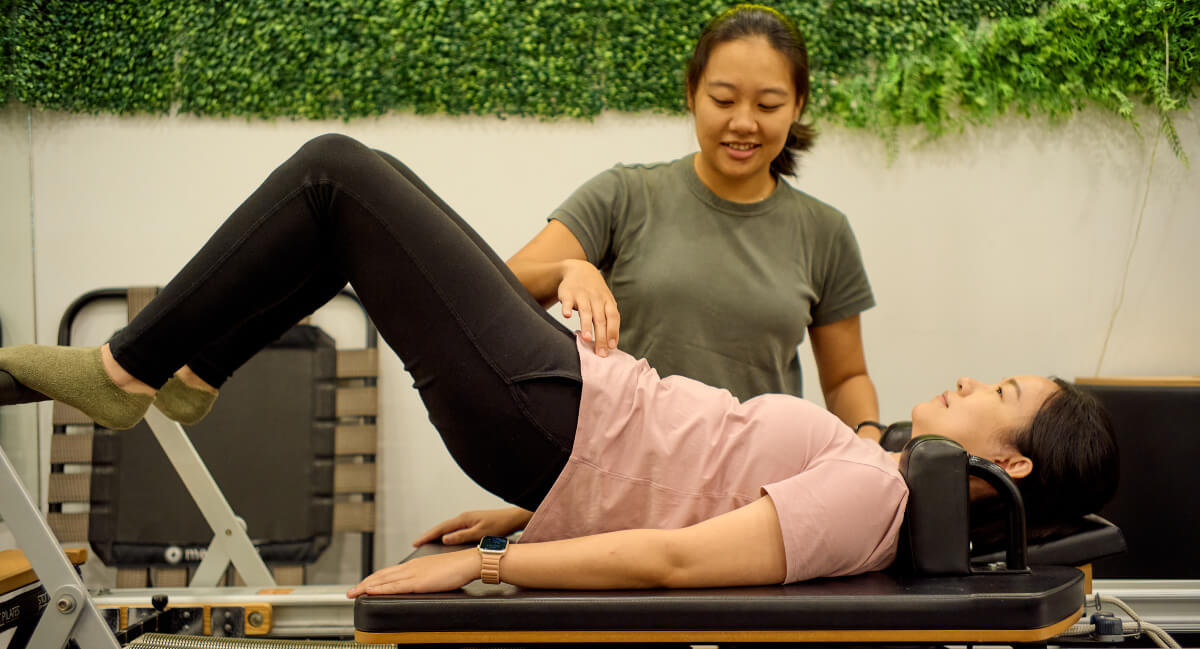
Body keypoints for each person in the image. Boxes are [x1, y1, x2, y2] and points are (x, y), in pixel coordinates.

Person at [0, 134, 1118, 596]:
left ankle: (133, 370)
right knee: (346, 203)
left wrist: (486, 569)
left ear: (1012, 468)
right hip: (561, 409)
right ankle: (180, 373)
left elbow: (682, 556)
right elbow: (683, 477)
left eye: (999, 395)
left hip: (555, 407)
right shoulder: (881, 471)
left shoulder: (876, 494)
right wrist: (513, 520)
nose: (972, 380)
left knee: (337, 176)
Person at [508, 5, 884, 438]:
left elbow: (845, 379)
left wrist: (868, 440)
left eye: (768, 104)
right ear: (691, 92)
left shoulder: (825, 231)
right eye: (723, 100)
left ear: (797, 104)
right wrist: (567, 270)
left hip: (758, 486)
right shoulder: (624, 195)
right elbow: (498, 289)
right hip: (627, 472)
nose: (743, 122)